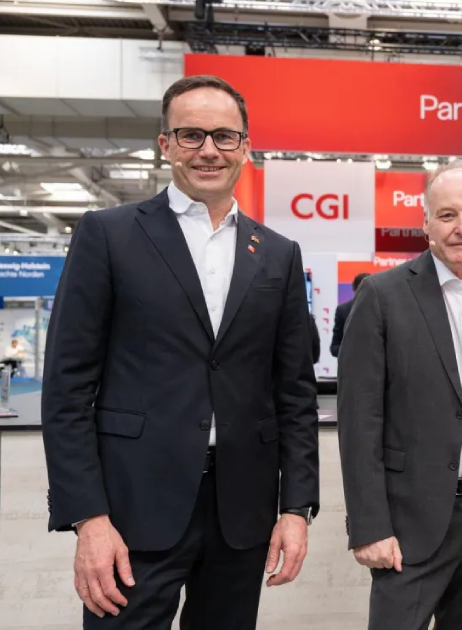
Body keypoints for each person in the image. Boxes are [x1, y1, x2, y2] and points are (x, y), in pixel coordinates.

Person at [41, 74, 320, 629]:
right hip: (131, 510)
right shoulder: (108, 235)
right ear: (165, 144)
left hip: (241, 512)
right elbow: (67, 388)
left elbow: (294, 393)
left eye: (224, 136)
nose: (209, 150)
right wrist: (88, 518)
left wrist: (295, 508)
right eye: (191, 135)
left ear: (245, 146)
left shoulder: (278, 254)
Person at [337, 159, 462, 630]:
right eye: (447, 215)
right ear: (425, 222)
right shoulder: (382, 297)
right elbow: (359, 420)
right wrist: (369, 526)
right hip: (407, 523)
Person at [329, 271, 369, 357]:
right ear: (355, 290)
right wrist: (351, 351)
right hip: (351, 363)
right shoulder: (343, 311)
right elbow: (334, 347)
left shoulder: (383, 310)